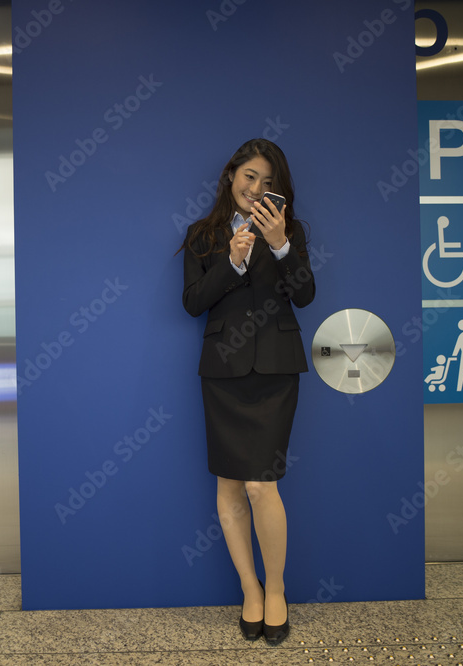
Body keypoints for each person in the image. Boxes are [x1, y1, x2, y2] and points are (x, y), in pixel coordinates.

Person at [180, 138, 315, 645]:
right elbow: (193, 303)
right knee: (230, 486)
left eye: (267, 182)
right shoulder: (203, 235)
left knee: (262, 485)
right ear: (231, 175)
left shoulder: (291, 231)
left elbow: (304, 294)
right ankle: (250, 589)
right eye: (249, 177)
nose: (256, 188)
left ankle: (276, 588)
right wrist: (232, 263)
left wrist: (279, 246)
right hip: (223, 371)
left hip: (276, 370)